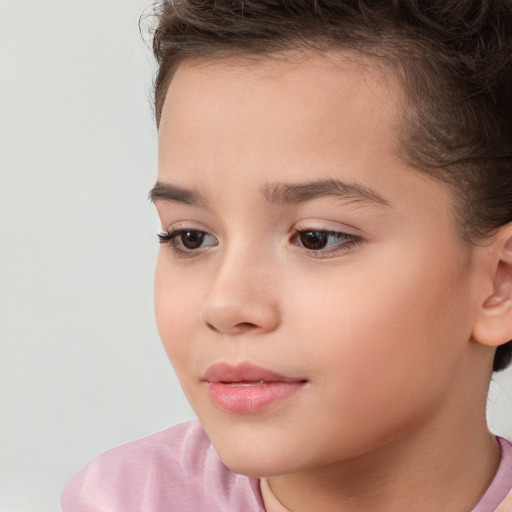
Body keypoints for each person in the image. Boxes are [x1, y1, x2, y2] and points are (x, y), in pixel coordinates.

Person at [61, 1, 512, 510]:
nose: (226, 305)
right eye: (190, 237)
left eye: (316, 238)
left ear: (499, 283)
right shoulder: (127, 499)